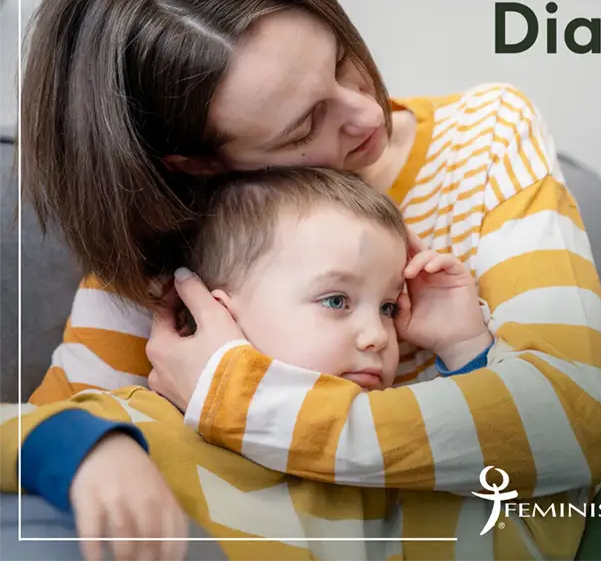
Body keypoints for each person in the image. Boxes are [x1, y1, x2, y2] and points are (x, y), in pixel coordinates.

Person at [13, 0, 601, 560]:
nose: (364, 115)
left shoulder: (485, 135)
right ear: (199, 164)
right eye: (301, 127)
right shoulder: (172, 241)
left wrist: (238, 394)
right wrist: (86, 446)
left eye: (342, 63)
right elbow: (48, 423)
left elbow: (571, 423)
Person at [10, 167, 496, 561]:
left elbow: (495, 524)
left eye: (389, 307)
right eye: (336, 300)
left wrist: (464, 348)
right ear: (210, 313)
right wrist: (84, 451)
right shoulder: (142, 424)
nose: (378, 337)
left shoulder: (374, 474)